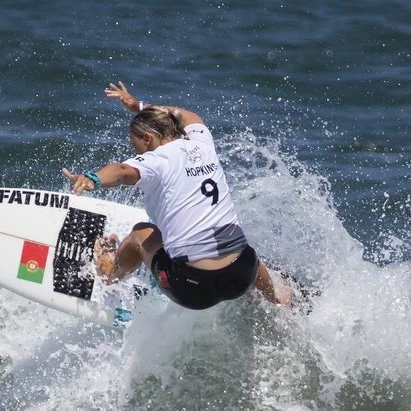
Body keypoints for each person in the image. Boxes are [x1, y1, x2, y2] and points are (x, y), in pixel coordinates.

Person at [62, 81, 293, 309]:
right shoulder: (202, 142)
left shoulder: (157, 160)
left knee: (141, 233)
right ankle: (275, 299)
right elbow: (187, 115)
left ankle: (108, 275)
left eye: (136, 145)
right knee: (237, 243)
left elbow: (121, 171)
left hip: (193, 290)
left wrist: (94, 178)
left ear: (148, 139)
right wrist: (141, 106)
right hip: (242, 276)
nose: (136, 152)